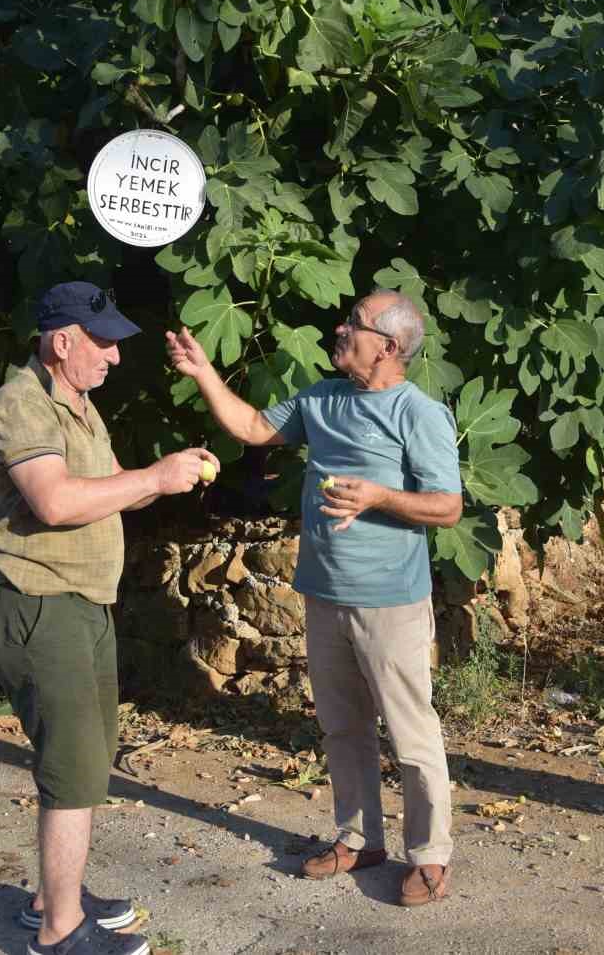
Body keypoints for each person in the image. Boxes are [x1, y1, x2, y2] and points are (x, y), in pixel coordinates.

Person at [166, 290, 463, 908]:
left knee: (411, 734)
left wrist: (378, 497)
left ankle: (430, 856)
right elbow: (252, 428)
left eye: (353, 323)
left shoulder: (419, 413)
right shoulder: (321, 398)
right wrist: (204, 375)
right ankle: (360, 838)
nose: (339, 328)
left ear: (387, 346)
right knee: (342, 728)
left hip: (390, 601)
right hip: (323, 594)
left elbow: (448, 507)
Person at [0, 282, 219, 955]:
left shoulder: (79, 405)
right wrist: (154, 477)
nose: (114, 357)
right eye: (104, 342)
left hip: (85, 604)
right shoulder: (21, 405)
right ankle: (59, 933)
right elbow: (54, 501)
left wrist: (170, 472)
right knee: (73, 768)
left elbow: (112, 485)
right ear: (62, 342)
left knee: (82, 763)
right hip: (41, 604)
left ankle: (49, 899)